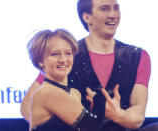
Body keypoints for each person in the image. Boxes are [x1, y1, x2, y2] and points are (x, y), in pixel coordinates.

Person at [21, 0, 151, 131]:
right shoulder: (66, 56)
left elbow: (138, 115)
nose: (113, 14)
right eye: (104, 9)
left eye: (116, 8)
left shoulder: (137, 56)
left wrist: (118, 115)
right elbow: (27, 106)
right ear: (86, 17)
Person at [26, 28, 107, 131]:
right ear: (41, 60)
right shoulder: (48, 93)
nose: (63, 60)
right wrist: (101, 98)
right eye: (55, 54)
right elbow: (92, 126)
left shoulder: (74, 93)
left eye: (68, 53)